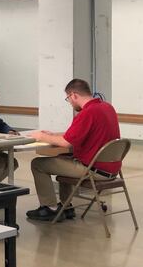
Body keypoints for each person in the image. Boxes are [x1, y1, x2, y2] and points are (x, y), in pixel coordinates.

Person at [26, 79, 121, 222]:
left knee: (38, 164)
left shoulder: (87, 113)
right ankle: (66, 206)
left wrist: (41, 136)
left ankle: (49, 208)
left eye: (68, 98)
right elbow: (76, 135)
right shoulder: (107, 107)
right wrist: (53, 135)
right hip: (112, 168)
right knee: (64, 158)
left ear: (74, 95)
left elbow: (65, 143)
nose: (69, 102)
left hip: (93, 169)